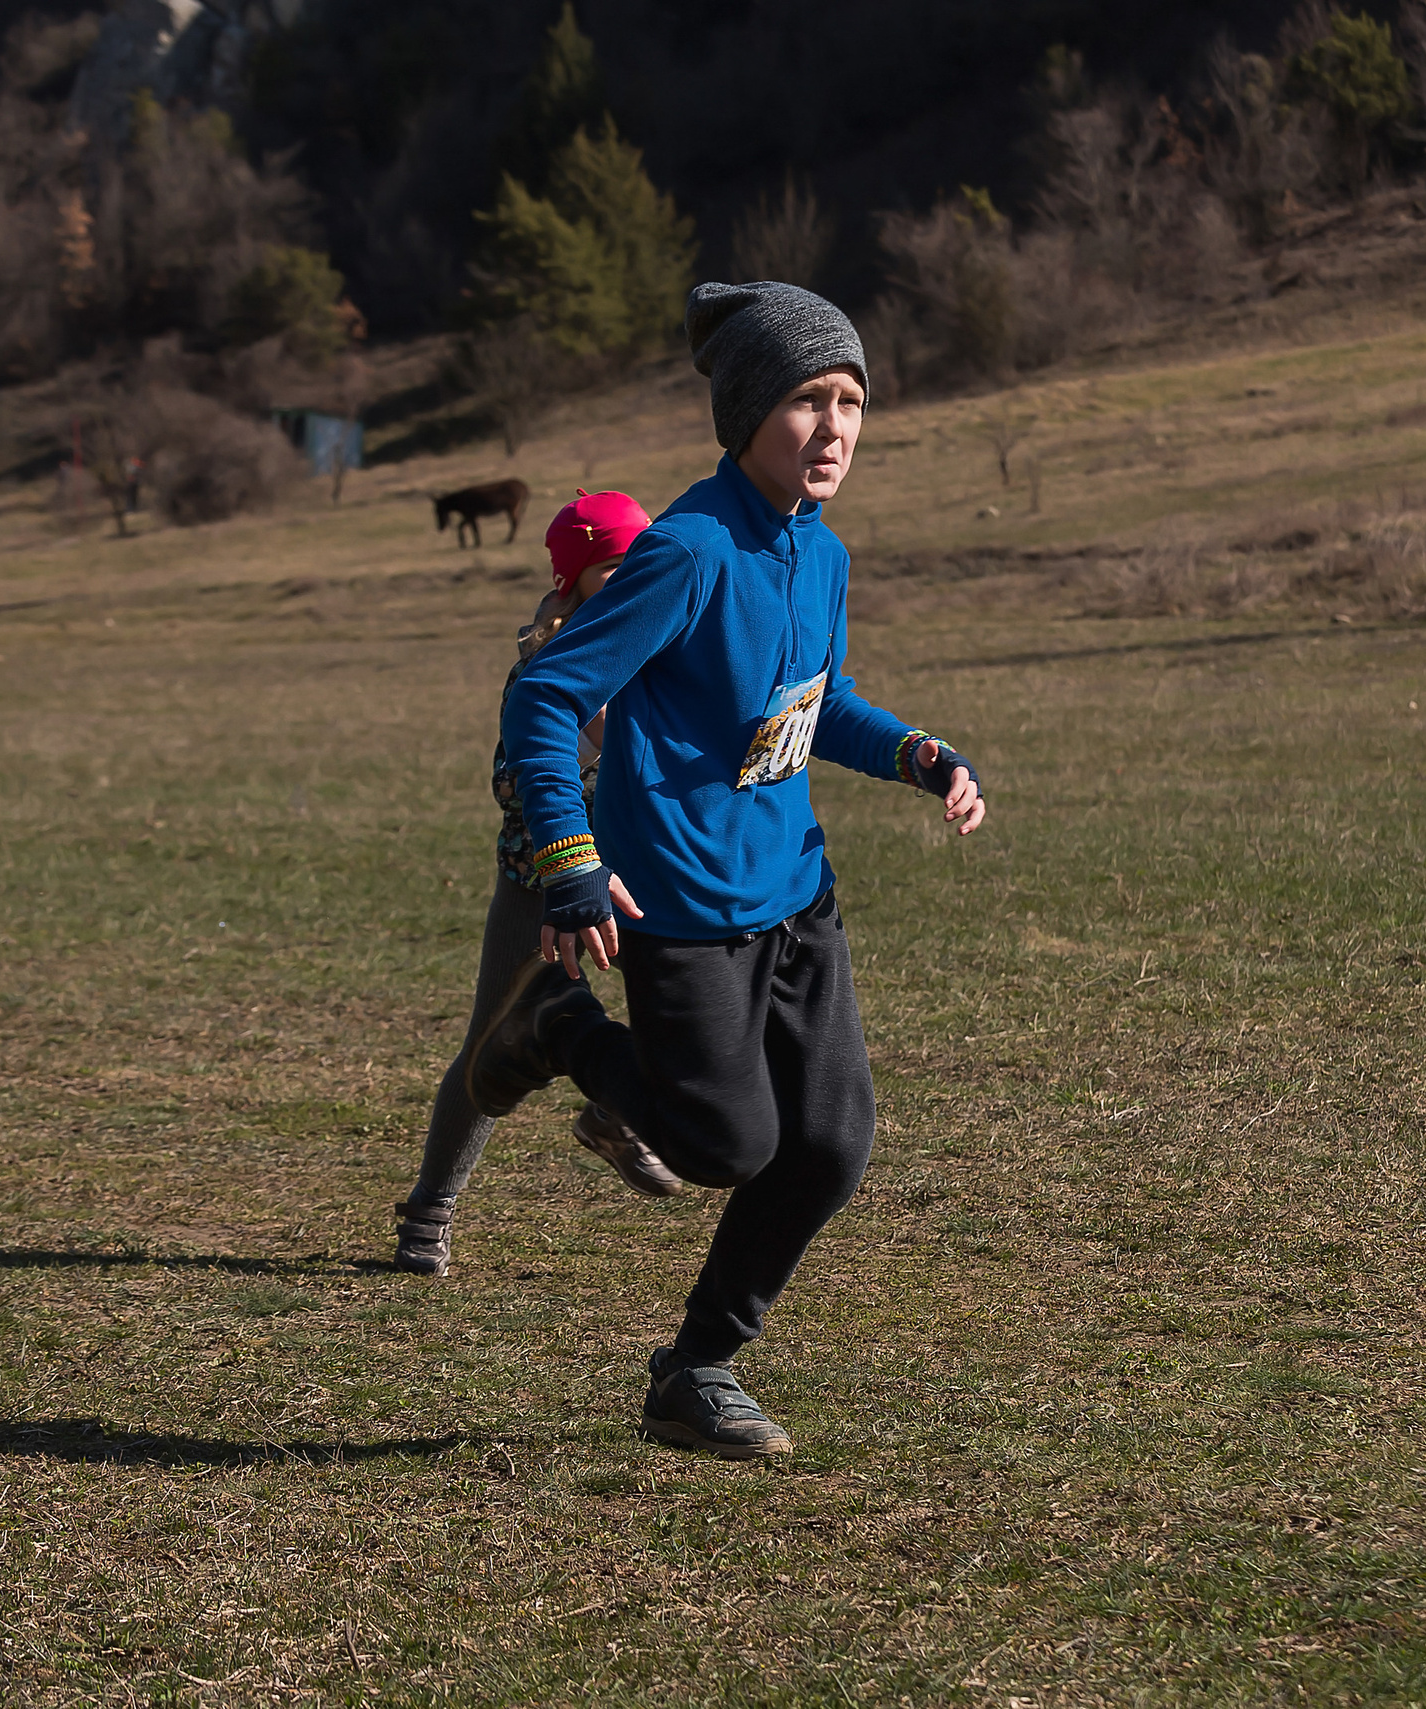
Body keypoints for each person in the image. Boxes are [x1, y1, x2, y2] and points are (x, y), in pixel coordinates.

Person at [481, 282, 988, 1459]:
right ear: (750, 408)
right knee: (722, 1145)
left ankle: (695, 1368)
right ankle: (558, 1025)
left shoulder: (822, 554)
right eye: (808, 399)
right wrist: (568, 855)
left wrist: (917, 753)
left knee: (829, 1145)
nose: (833, 427)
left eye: (851, 400)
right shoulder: (689, 549)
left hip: (794, 892)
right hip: (681, 899)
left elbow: (816, 704)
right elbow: (550, 693)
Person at [395, 491, 684, 1279]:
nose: (638, 577)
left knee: (701, 1014)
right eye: (618, 565)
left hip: (652, 882)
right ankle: (431, 1208)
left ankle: (614, 1107)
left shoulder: (668, 639)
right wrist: (576, 854)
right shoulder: (546, 667)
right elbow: (511, 783)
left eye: (644, 560)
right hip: (543, 888)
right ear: (577, 578)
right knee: (491, 1045)